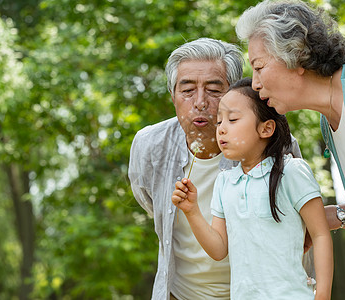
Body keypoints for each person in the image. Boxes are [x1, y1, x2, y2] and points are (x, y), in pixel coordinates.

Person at [128, 38, 303, 299]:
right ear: (172, 96)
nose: (199, 102)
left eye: (213, 90)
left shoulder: (272, 143)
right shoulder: (150, 146)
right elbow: (152, 203)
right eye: (187, 90)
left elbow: (298, 224)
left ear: (235, 95)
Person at [235, 0, 345, 277]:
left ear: (296, 55)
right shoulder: (331, 119)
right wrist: (326, 219)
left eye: (259, 67)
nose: (254, 84)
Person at [172, 77, 333, 299]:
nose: (221, 130)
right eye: (219, 122)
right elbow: (219, 250)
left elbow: (321, 234)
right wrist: (192, 211)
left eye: (233, 119)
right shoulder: (225, 182)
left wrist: (323, 294)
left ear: (266, 128)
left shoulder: (292, 172)